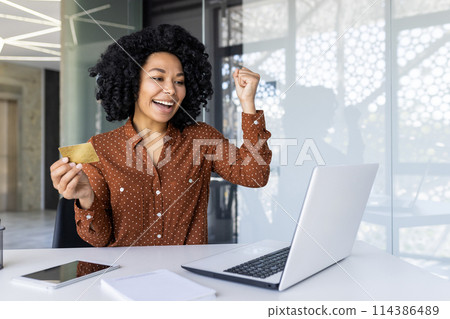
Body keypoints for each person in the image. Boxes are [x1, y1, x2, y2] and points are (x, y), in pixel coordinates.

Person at [50, 24, 272, 247]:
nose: (171, 90)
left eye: (179, 81)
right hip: (125, 277)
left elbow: (254, 175)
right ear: (133, 83)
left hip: (185, 276)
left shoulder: (200, 139)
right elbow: (99, 239)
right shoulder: (100, 148)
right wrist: (86, 197)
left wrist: (248, 104)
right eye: (158, 78)